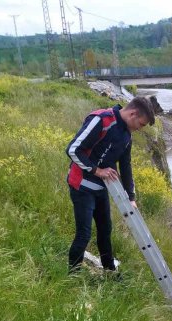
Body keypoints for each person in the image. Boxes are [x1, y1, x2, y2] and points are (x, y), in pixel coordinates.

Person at [63, 96, 155, 273]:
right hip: (81, 186)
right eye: (141, 124)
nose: (139, 129)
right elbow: (73, 149)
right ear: (133, 113)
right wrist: (97, 171)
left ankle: (109, 271)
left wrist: (131, 197)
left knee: (105, 230)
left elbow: (125, 166)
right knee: (84, 234)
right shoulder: (101, 120)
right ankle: (72, 276)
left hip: (101, 188)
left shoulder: (126, 135)